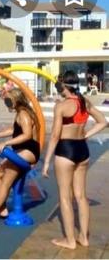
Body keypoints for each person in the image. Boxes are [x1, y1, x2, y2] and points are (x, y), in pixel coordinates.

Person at [42, 71, 107, 249]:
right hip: (82, 151)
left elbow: (55, 136)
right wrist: (86, 134)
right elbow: (103, 122)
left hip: (66, 151)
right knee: (81, 197)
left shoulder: (62, 106)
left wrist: (46, 161)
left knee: (65, 198)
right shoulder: (84, 102)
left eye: (58, 86)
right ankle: (84, 238)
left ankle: (70, 241)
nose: (57, 89)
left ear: (64, 87)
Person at [0, 88, 41, 223]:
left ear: (16, 100)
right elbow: (14, 129)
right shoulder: (20, 113)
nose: (6, 103)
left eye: (8, 101)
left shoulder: (24, 114)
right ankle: (2, 208)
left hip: (28, 151)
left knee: (6, 181)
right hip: (21, 151)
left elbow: (27, 134)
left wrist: (5, 143)